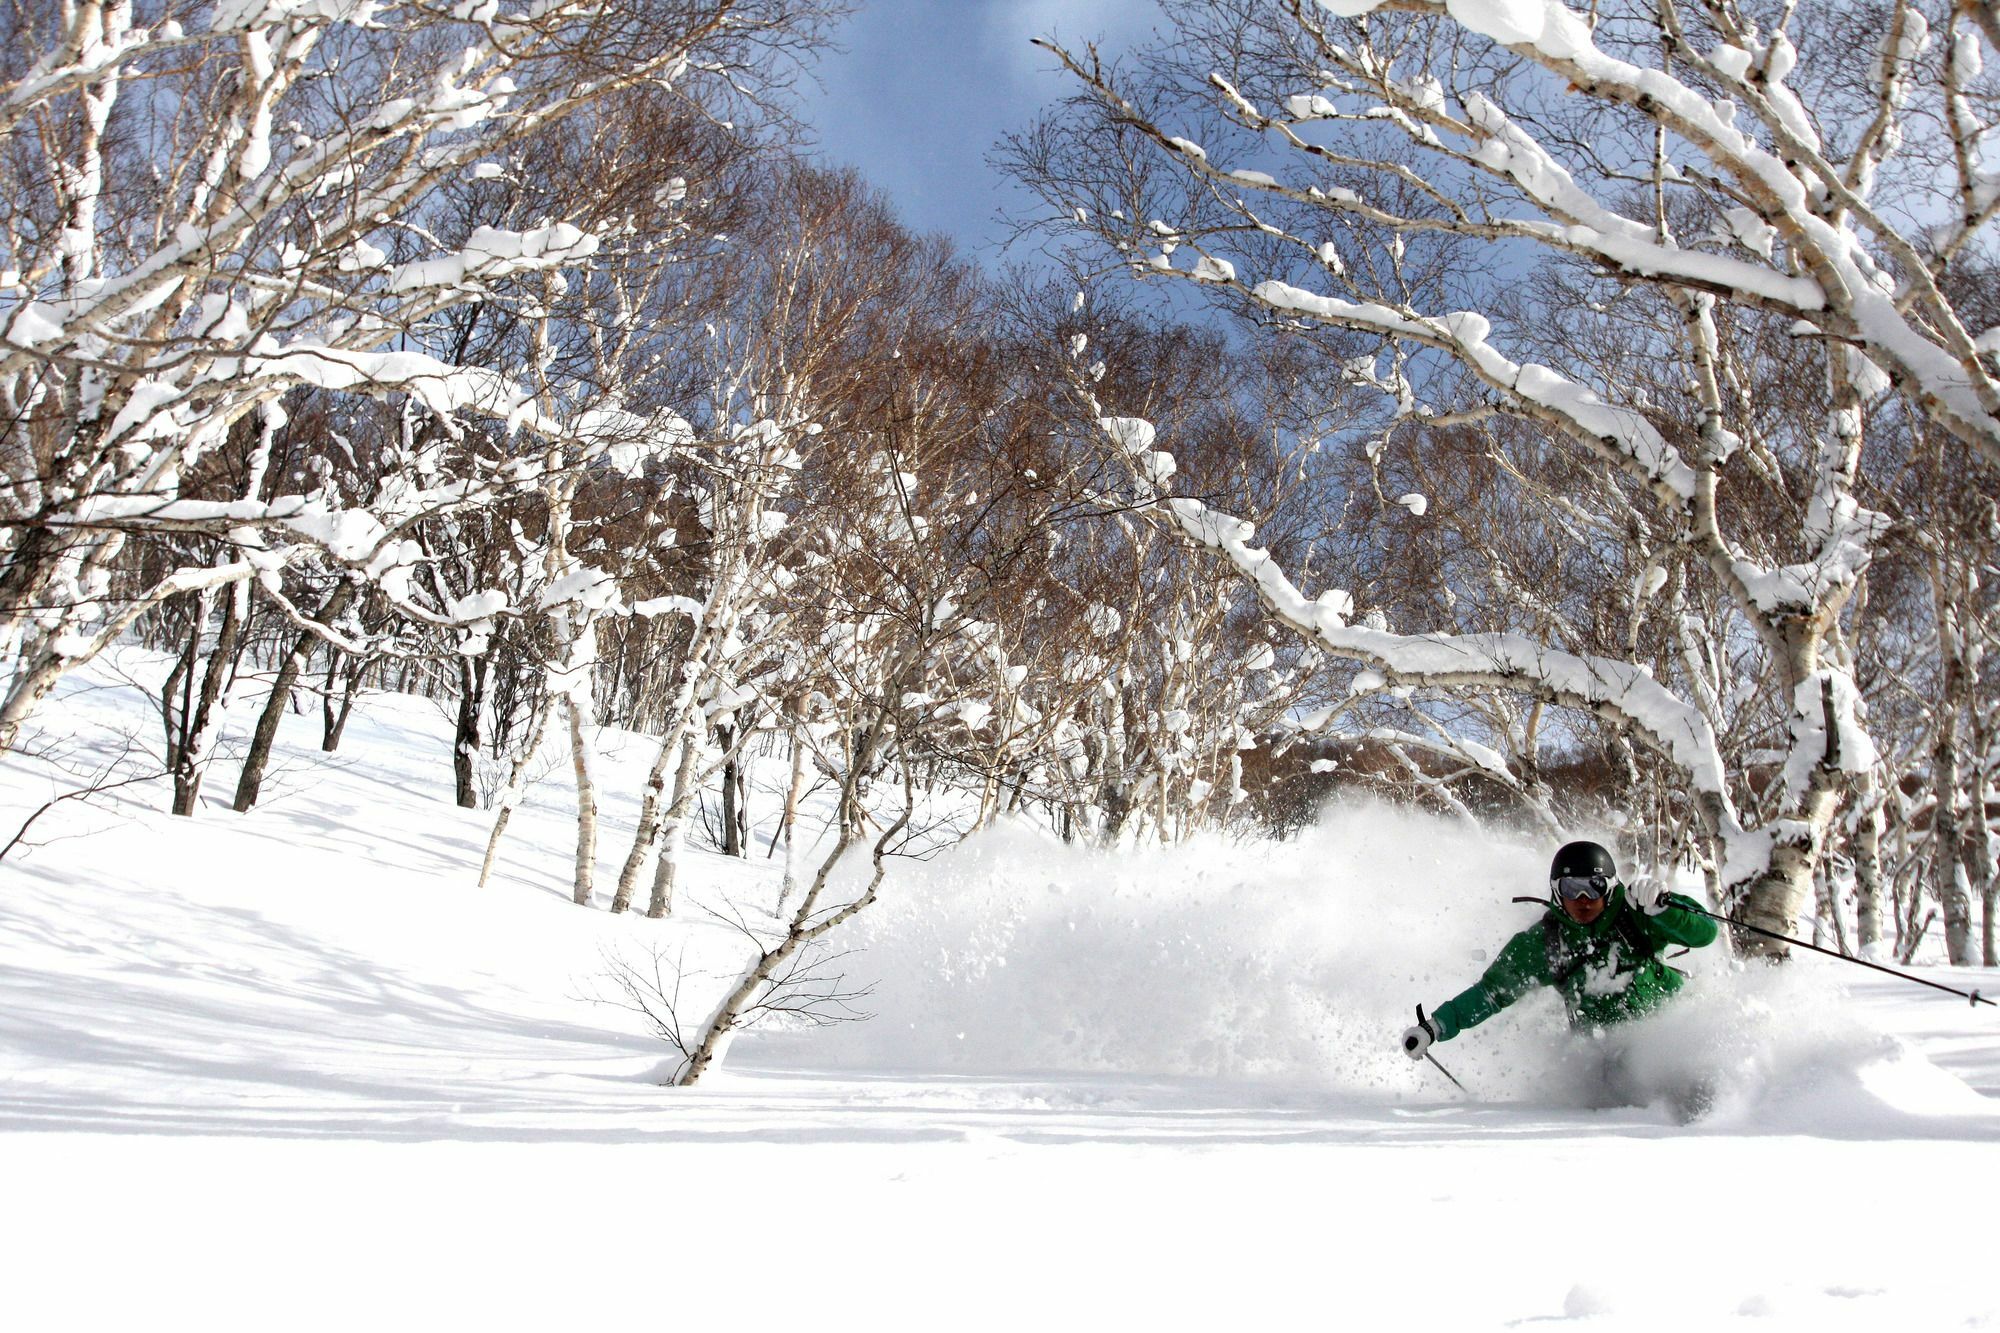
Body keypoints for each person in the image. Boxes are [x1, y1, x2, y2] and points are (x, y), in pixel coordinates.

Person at [1400, 840, 1719, 1082]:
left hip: (1674, 1031)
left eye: (1593, 887)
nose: (1583, 900)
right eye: (1571, 888)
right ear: (1556, 891)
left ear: (1608, 888)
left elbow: (1705, 933)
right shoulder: (1543, 944)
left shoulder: (1637, 915)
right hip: (1607, 1056)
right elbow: (1491, 992)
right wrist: (1435, 1027)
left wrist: (1667, 908)